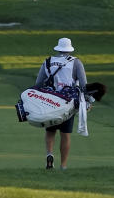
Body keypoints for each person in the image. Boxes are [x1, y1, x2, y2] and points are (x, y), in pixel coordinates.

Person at [36, 37, 87, 170]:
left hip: (50, 101)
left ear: (58, 48)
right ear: (69, 49)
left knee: (50, 131)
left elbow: (38, 83)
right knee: (65, 134)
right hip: (67, 103)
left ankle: (49, 154)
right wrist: (88, 101)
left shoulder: (48, 62)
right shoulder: (76, 63)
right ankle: (63, 165)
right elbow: (83, 85)